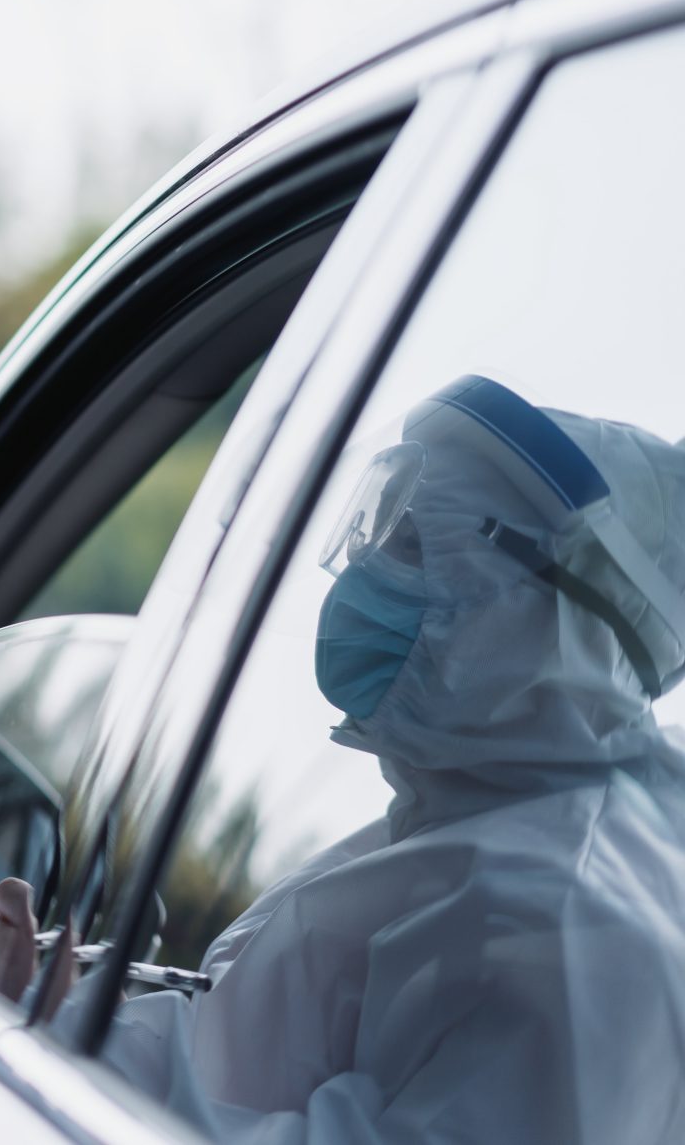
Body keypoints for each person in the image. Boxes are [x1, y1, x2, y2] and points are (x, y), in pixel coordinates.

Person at [53, 375, 685, 1142]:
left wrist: (6, 1065)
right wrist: (52, 1022)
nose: (365, 567)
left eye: (415, 542)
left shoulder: (574, 929)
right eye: (376, 527)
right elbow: (240, 1050)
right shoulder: (463, 823)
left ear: (558, 617)